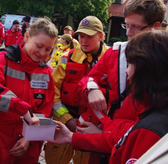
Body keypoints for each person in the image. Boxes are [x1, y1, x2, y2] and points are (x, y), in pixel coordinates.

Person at [50, 30, 168, 164]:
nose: (126, 71)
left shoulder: (151, 129)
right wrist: (72, 136)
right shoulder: (155, 111)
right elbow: (124, 134)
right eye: (81, 36)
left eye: (130, 64)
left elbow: (126, 138)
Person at [73, 0, 165, 160]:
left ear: (156, 25)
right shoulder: (117, 52)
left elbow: (153, 121)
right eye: (126, 25)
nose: (129, 33)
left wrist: (105, 132)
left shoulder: (162, 59)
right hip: (108, 136)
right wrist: (92, 89)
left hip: (137, 141)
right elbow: (88, 79)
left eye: (136, 27)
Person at [0, 17, 58, 164]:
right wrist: (21, 108)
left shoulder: (46, 72)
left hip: (29, 145)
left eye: (48, 49)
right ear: (26, 37)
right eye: (39, 46)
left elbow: (46, 110)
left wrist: (29, 137)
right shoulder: (3, 59)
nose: (42, 53)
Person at [45, 16, 108, 164]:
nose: (84, 41)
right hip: (65, 121)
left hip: (93, 128)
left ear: (101, 36)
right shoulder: (68, 57)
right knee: (54, 159)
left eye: (89, 37)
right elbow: (52, 91)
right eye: (81, 36)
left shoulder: (111, 60)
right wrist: (67, 120)